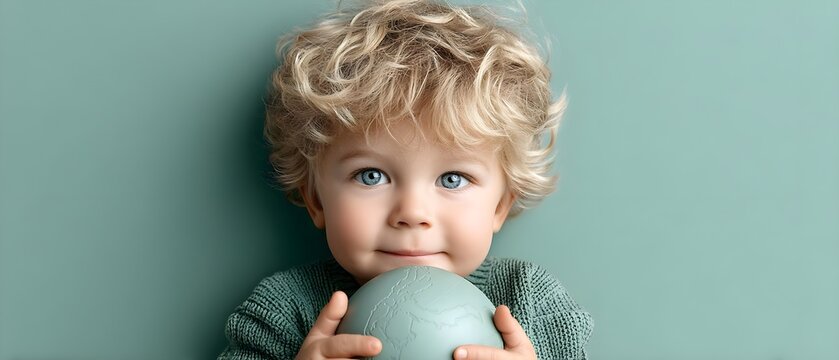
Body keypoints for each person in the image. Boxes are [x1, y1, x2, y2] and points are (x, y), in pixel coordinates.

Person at [218, 0, 593, 358]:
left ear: (500, 205)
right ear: (315, 199)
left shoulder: (533, 306)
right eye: (371, 176)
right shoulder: (285, 313)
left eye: (452, 179)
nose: (412, 213)